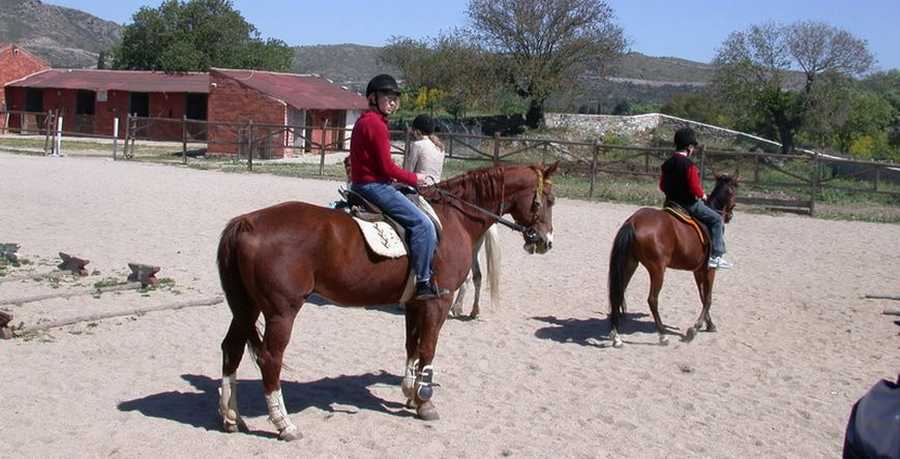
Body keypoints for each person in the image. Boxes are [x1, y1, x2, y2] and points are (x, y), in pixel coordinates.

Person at [349, 74, 449, 300]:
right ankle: (423, 281)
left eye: (395, 98)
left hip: (364, 183)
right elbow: (387, 168)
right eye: (387, 97)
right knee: (423, 224)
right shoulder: (376, 124)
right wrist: (415, 178)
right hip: (374, 186)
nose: (392, 102)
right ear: (373, 98)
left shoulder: (365, 120)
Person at [659, 127, 732, 269]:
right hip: (688, 204)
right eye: (693, 147)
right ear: (689, 147)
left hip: (669, 204)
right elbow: (695, 187)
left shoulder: (666, 164)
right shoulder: (690, 165)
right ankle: (716, 256)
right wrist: (702, 195)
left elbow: (661, 186)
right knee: (717, 220)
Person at [403, 114, 445, 185]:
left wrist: (407, 147)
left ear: (416, 131)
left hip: (420, 189)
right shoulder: (440, 147)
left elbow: (407, 173)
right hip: (436, 188)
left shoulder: (417, 145)